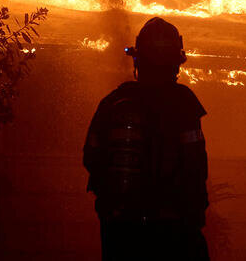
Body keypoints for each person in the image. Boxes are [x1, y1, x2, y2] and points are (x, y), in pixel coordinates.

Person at [83, 17, 209, 260]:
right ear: (175, 63)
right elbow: (196, 165)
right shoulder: (183, 103)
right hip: (174, 232)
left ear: (138, 61)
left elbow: (91, 158)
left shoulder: (113, 103)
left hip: (122, 231)